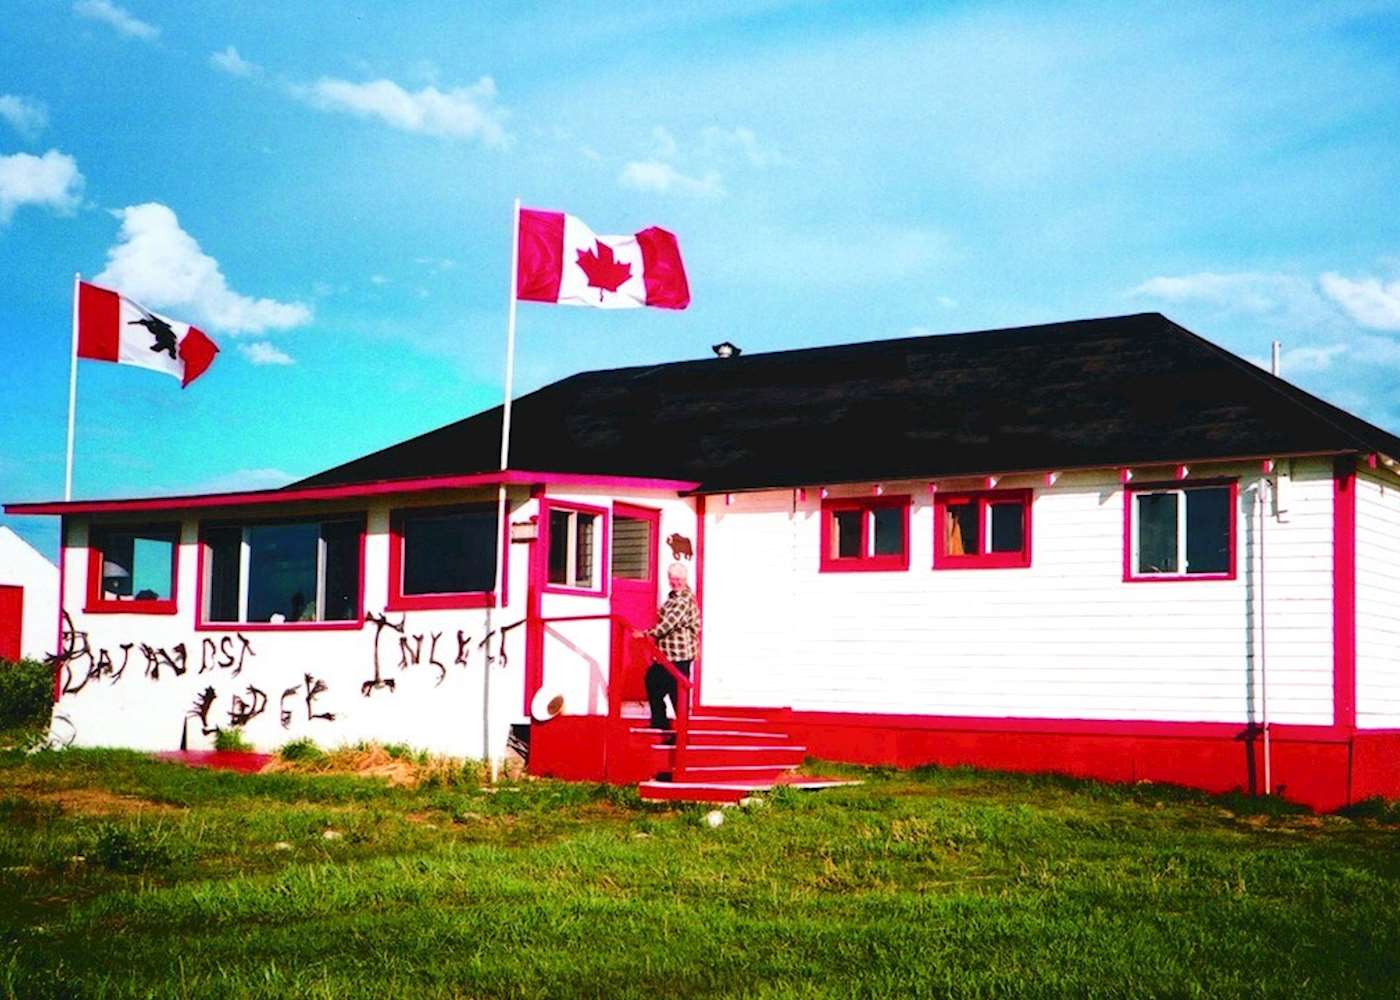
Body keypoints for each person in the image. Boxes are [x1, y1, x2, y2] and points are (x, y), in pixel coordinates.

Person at [636, 562, 700, 731]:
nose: (675, 582)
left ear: (685, 580)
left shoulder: (684, 599)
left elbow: (669, 623)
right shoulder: (672, 597)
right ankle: (660, 722)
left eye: (678, 579)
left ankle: (682, 733)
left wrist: (645, 633)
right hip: (666, 654)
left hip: (680, 654)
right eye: (672, 579)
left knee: (677, 694)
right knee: (653, 680)